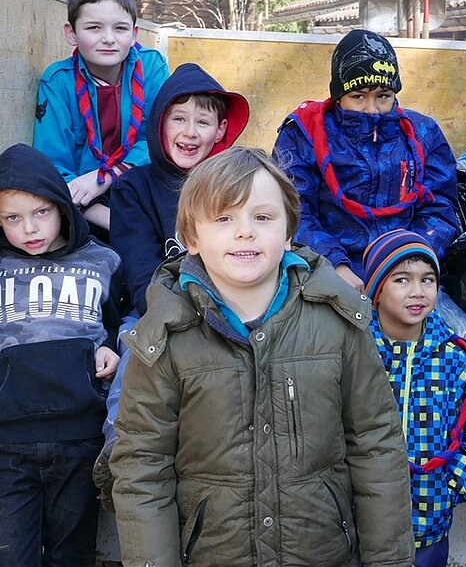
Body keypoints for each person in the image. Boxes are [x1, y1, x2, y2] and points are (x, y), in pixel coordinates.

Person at [272, 28, 466, 548]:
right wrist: (343, 270)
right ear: (337, 92)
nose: (372, 109)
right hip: (329, 272)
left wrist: (409, 264)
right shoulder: (302, 131)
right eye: (359, 96)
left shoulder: (421, 133)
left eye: (383, 96)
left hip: (406, 271)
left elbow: (440, 210)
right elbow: (293, 211)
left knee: (465, 341)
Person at [109, 147, 414, 567]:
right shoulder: (165, 334)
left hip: (322, 552)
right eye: (224, 218)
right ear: (192, 238)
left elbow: (376, 446)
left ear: (289, 232)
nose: (244, 232)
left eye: (263, 217)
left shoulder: (338, 322)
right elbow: (143, 467)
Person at [91, 63, 250, 498]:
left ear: (220, 130)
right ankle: (120, 453)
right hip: (155, 309)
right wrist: (187, 314)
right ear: (160, 122)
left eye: (203, 121)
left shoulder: (234, 185)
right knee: (134, 351)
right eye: (179, 118)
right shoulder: (135, 188)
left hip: (230, 309)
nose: (190, 130)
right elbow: (142, 274)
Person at [0, 143, 125, 567]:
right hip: (7, 442)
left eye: (41, 212)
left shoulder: (101, 260)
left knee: (72, 555)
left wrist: (111, 347)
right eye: (12, 218)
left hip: (79, 435)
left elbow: (115, 321)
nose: (29, 229)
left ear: (62, 207)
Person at [364, 229, 466, 567]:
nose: (417, 292)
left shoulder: (456, 357)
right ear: (377, 291)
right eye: (402, 280)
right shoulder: (356, 351)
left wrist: (449, 488)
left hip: (430, 527)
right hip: (361, 525)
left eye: (428, 280)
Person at [33, 0, 170, 233]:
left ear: (134, 34)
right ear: (71, 33)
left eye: (120, 28)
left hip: (140, 186)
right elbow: (51, 162)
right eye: (94, 28)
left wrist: (108, 176)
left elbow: (160, 137)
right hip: (80, 202)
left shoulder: (151, 67)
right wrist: (106, 217)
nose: (108, 39)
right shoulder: (58, 81)